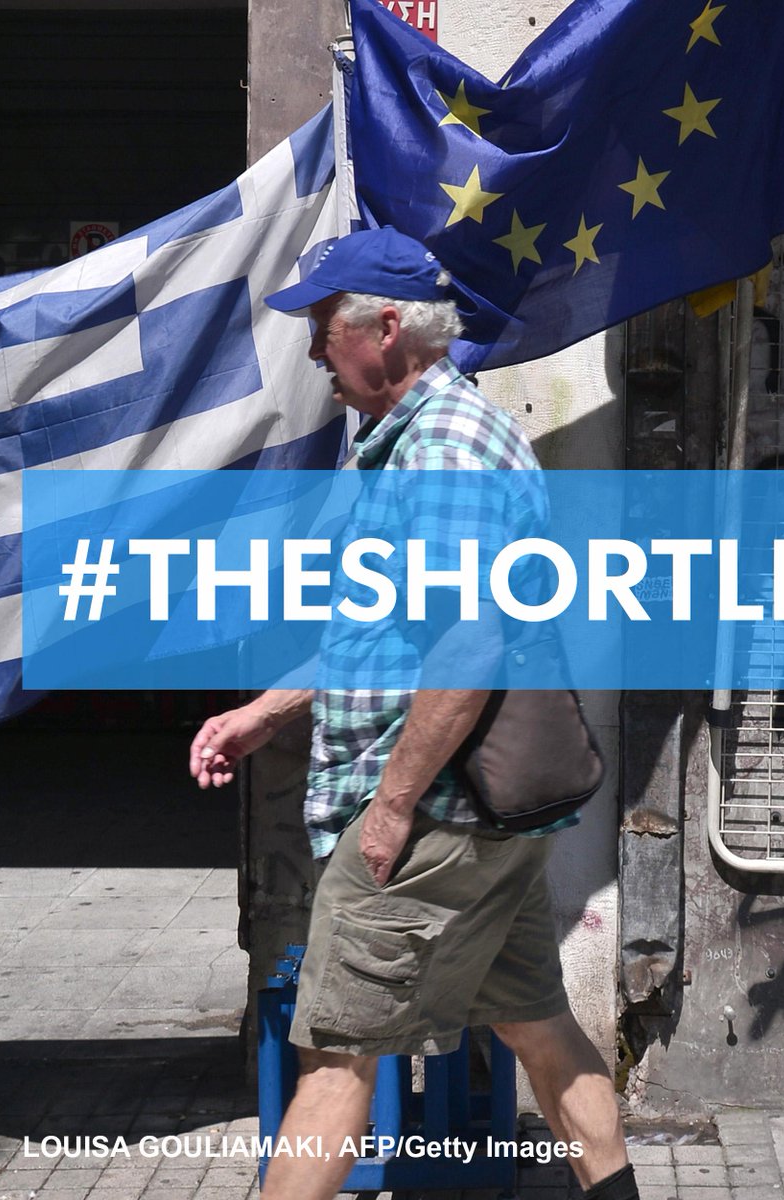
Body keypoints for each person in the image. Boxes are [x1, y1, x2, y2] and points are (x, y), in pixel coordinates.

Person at [189, 227, 639, 1200]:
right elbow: (387, 633)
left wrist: (392, 806)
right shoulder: (426, 443)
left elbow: (467, 645)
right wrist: (268, 711)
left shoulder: (442, 449)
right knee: (537, 1027)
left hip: (431, 816)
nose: (315, 351)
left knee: (336, 1058)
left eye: (323, 327)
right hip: (476, 818)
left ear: (384, 328)